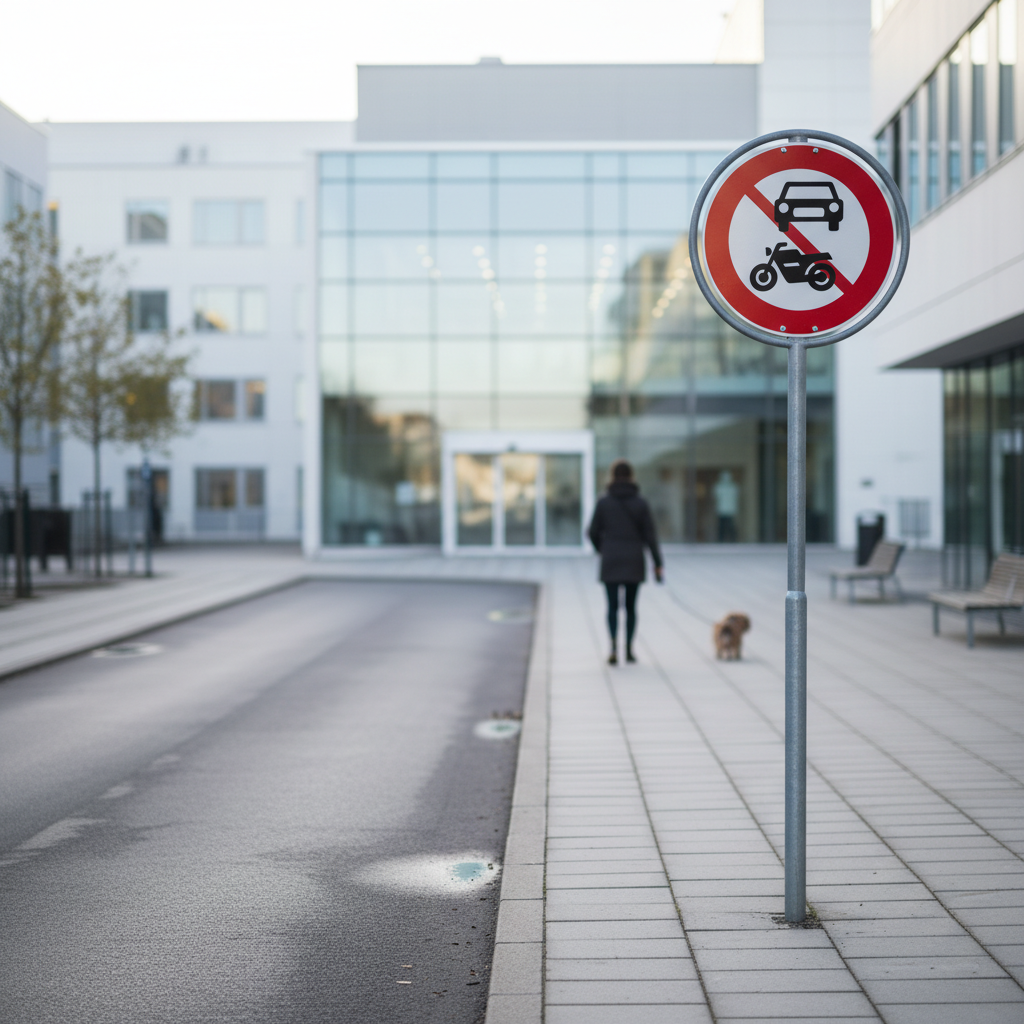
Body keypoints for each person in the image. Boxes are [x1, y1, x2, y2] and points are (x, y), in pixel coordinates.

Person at [587, 460, 664, 665]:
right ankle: (629, 650)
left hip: (611, 558)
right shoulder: (640, 503)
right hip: (633, 559)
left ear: (612, 476)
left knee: (612, 607)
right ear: (632, 476)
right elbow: (651, 536)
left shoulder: (603, 502)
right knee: (630, 607)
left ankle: (612, 647)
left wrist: (602, 549)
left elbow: (592, 532)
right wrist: (657, 563)